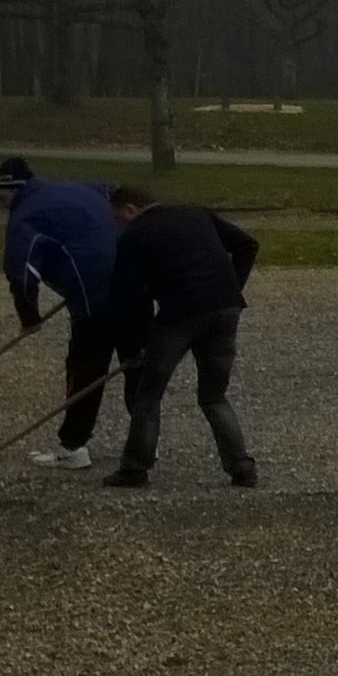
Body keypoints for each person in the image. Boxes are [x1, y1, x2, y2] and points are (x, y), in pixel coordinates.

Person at [101, 185, 261, 491]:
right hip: (226, 309)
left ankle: (135, 470)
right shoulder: (196, 213)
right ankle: (242, 468)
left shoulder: (135, 235)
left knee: (148, 395)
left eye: (119, 217)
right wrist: (231, 286)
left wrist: (138, 343)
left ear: (130, 209)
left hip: (180, 314)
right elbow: (247, 245)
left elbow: (127, 297)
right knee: (214, 396)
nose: (119, 224)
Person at [0, 156, 121, 470]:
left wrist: (30, 320)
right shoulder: (88, 189)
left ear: (15, 189)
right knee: (136, 361)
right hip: (133, 285)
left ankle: (73, 447)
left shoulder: (25, 216)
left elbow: (21, 276)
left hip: (92, 298)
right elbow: (119, 195)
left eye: (0, 196)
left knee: (85, 368)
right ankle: (145, 444)